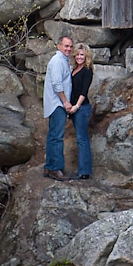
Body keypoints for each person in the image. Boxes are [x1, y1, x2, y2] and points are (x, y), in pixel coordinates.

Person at [43, 35, 73, 181]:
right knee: (57, 137)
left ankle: (49, 166)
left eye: (70, 46)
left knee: (53, 136)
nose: (68, 49)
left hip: (57, 103)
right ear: (59, 46)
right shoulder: (57, 61)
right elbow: (57, 84)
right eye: (66, 46)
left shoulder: (63, 61)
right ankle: (55, 168)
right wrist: (65, 102)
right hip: (57, 104)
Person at [68, 43, 94, 179]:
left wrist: (76, 106)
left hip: (82, 108)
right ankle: (83, 170)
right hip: (73, 108)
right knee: (80, 139)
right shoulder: (74, 69)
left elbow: (83, 91)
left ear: (87, 56)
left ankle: (84, 172)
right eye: (77, 54)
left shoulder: (87, 71)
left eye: (82, 55)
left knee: (82, 139)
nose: (79, 57)